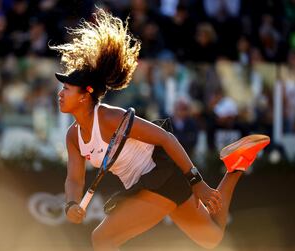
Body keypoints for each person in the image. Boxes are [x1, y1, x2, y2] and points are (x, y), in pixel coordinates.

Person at [51, 9, 270, 250]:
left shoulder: (110, 117)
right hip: (152, 183)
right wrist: (71, 204)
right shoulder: (73, 136)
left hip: (161, 176)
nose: (60, 94)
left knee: (102, 239)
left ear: (85, 96)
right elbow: (74, 178)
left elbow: (166, 138)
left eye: (67, 89)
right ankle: (236, 166)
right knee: (212, 238)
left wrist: (197, 182)